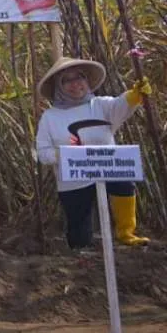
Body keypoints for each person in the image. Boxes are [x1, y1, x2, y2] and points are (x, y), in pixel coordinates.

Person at [35, 56, 153, 248]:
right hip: (73, 179)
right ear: (59, 86)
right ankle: (80, 251)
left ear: (86, 80)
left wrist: (135, 94)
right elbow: (42, 151)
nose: (75, 84)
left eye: (79, 78)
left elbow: (121, 105)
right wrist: (61, 156)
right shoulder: (50, 117)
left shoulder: (100, 105)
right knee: (79, 235)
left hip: (107, 167)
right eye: (67, 80)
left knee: (123, 184)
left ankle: (126, 233)